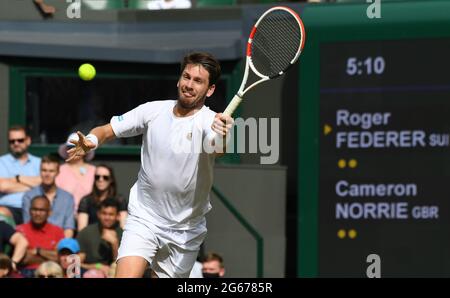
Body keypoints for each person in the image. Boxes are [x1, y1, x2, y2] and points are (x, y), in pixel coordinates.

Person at [66, 52, 234, 278]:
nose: (189, 85)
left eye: (198, 81)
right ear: (179, 79)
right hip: (145, 218)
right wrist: (91, 140)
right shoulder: (152, 111)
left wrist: (222, 134)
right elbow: (106, 130)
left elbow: (218, 148)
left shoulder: (209, 122)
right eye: (186, 77)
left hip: (185, 230)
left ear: (210, 89)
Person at [22, 155, 75, 238]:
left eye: (51, 171)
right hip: (35, 240)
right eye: (44, 170)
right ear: (40, 172)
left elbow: (69, 228)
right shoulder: (29, 196)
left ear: (57, 172)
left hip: (59, 243)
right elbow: (27, 226)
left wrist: (61, 246)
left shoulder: (67, 198)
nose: (47, 174)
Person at [0, 125, 42, 225]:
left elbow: (44, 182)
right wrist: (32, 185)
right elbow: (2, 186)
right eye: (12, 141)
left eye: (20, 140)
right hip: (8, 208)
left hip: (35, 209)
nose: (16, 143)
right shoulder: (1, 162)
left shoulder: (39, 162)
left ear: (28, 140)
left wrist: (18, 178)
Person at [16, 196, 65, 278]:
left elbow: (59, 258)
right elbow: (22, 259)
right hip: (25, 273)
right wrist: (48, 256)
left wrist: (38, 251)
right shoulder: (19, 230)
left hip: (50, 273)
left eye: (42, 210)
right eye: (34, 209)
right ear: (29, 211)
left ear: (49, 212)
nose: (38, 213)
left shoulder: (57, 231)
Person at [77, 199, 122, 276]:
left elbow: (123, 265)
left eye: (111, 214)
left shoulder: (124, 234)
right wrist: (97, 266)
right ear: (98, 214)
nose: (107, 218)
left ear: (117, 216)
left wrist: (115, 244)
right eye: (104, 213)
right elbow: (77, 263)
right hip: (90, 273)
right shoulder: (86, 232)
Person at [77, 164, 127, 231]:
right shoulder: (86, 201)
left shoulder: (120, 200)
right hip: (91, 237)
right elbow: (82, 231)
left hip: (115, 237)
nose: (101, 180)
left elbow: (123, 228)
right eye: (97, 177)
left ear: (111, 180)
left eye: (105, 177)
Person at [56, 133, 96, 212]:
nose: (74, 150)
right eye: (71, 147)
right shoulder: (59, 170)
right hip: (65, 214)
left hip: (90, 215)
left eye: (78, 147)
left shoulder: (94, 171)